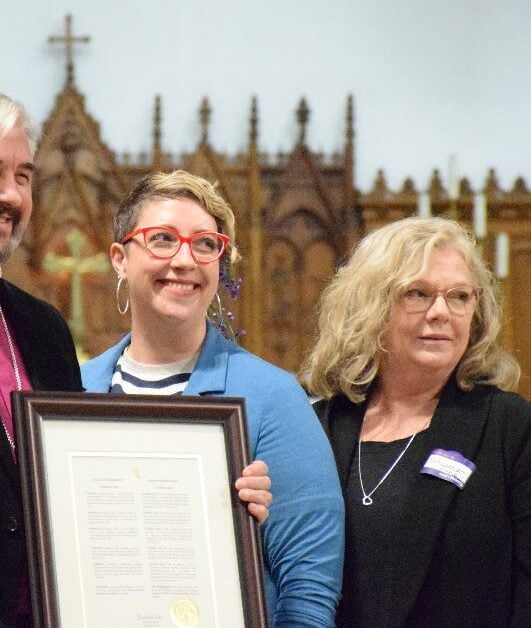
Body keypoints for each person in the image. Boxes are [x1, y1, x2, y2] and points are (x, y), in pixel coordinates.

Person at [0, 84, 270, 626]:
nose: (12, 196)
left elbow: (81, 499)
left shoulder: (39, 326)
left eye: (23, 176)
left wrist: (217, 503)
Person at [81, 170, 345, 627]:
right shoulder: (73, 391)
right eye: (162, 239)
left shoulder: (272, 397)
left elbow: (309, 584)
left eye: (205, 244)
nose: (185, 259)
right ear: (120, 258)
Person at [299, 216, 531, 626]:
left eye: (459, 297)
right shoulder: (320, 427)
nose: (441, 312)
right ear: (370, 307)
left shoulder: (516, 431)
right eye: (417, 293)